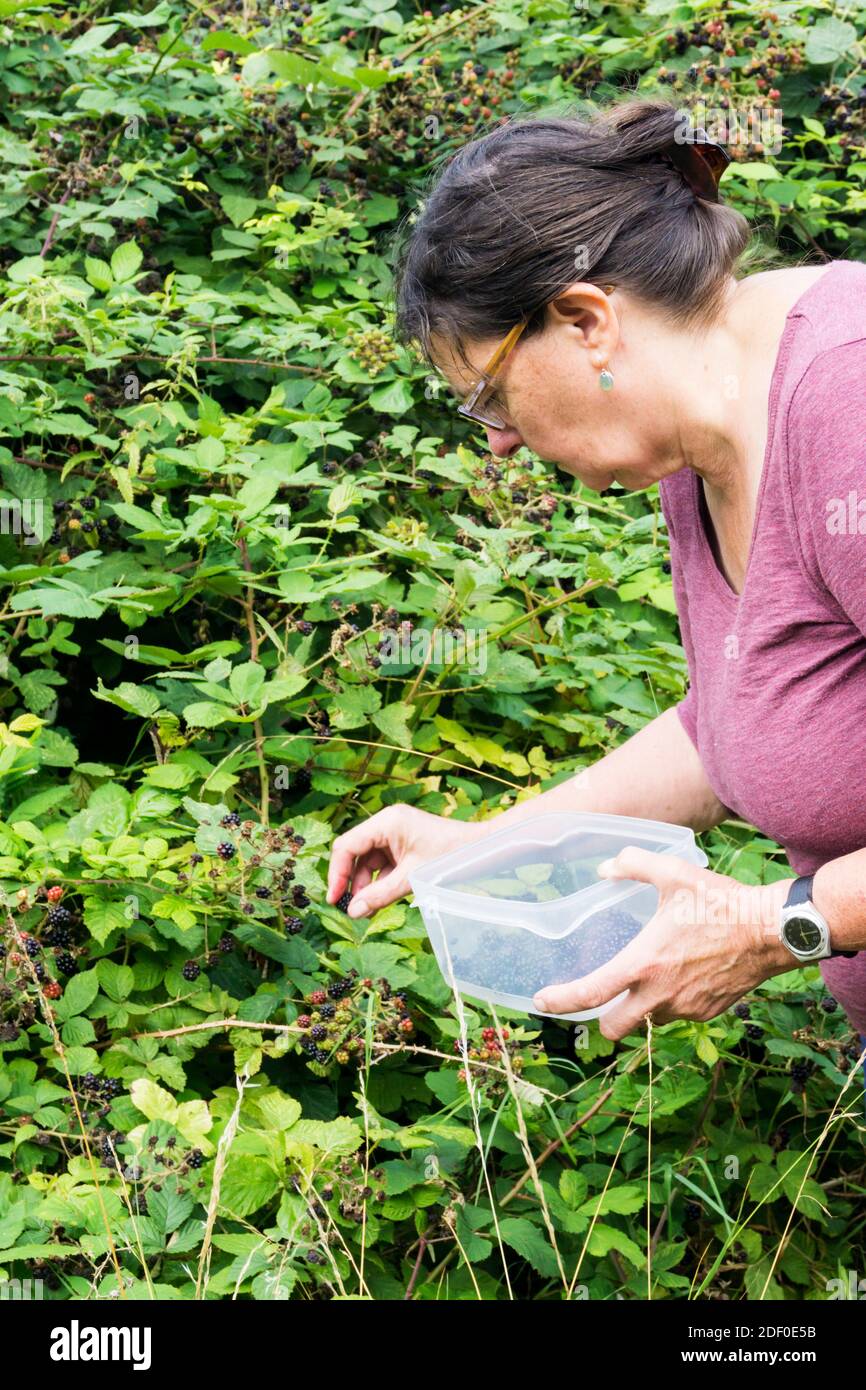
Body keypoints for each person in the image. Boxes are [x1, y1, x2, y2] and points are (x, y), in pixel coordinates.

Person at [326, 98, 866, 1047]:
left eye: (488, 395)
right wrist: (485, 848)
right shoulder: (691, 441)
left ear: (585, 322)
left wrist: (773, 925)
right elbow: (736, 725)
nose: (494, 442)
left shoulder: (845, 400)